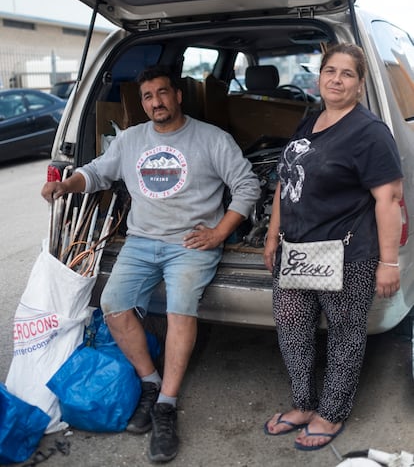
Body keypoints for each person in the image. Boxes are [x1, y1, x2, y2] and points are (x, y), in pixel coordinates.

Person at [42, 66, 260, 463]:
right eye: (147, 96)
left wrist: (219, 232)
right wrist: (65, 184)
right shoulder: (130, 140)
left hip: (191, 243)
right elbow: (95, 174)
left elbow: (247, 185)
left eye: (162, 93)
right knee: (113, 305)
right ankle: (150, 382)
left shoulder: (211, 138)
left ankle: (166, 406)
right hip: (142, 241)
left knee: (180, 309)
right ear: (142, 103)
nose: (156, 102)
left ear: (178, 96)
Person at [263, 43, 403, 451]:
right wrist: (273, 234)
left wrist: (389, 263)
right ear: (319, 76)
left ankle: (332, 412)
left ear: (360, 84)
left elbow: (388, 198)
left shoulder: (369, 132)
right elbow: (285, 182)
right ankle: (305, 405)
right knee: (291, 328)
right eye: (330, 71)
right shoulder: (309, 122)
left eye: (346, 74)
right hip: (296, 250)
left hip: (347, 254)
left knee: (345, 334)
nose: (336, 79)